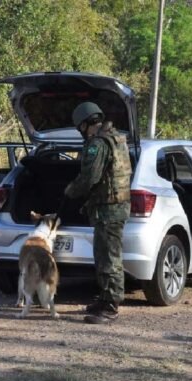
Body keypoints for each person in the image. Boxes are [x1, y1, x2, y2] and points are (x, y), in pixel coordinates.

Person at [64, 102, 131, 324]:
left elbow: (90, 178)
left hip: (109, 210)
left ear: (84, 124)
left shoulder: (98, 144)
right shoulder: (115, 138)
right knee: (103, 256)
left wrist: (70, 191)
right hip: (112, 207)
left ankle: (111, 306)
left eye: (80, 128)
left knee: (109, 258)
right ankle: (104, 299)